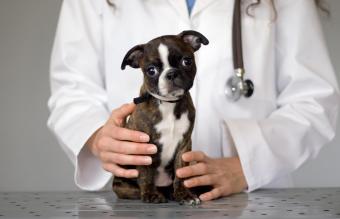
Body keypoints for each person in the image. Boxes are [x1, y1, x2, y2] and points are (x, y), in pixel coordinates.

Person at [47, 0, 339, 201]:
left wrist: (247, 165)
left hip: (251, 199)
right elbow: (72, 92)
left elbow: (314, 99)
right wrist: (99, 138)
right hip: (138, 200)